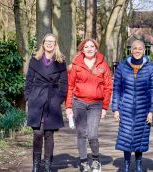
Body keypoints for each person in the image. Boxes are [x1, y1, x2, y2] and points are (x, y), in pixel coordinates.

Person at [65, 38, 113, 172]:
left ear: (96, 49)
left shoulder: (103, 65)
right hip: (79, 102)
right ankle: (84, 162)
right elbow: (70, 86)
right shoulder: (76, 64)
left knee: (92, 134)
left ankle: (96, 160)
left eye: (92, 46)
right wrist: (68, 106)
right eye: (86, 47)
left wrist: (105, 107)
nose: (89, 49)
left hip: (96, 104)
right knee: (81, 134)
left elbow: (108, 87)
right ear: (82, 49)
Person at [112, 40, 153, 172]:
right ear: (130, 50)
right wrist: (115, 109)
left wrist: (151, 111)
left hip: (143, 110)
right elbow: (116, 89)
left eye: (140, 49)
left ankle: (139, 165)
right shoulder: (122, 67)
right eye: (135, 49)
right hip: (125, 109)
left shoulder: (151, 67)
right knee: (126, 138)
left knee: (140, 138)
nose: (137, 51)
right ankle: (126, 166)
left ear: (144, 51)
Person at [25, 33, 68, 172]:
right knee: (37, 133)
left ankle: (48, 166)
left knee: (49, 134)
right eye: (47, 41)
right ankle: (36, 165)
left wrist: (58, 99)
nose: (49, 44)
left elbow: (64, 84)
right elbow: (28, 81)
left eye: (52, 42)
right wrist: (29, 97)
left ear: (55, 45)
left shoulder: (60, 61)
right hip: (36, 100)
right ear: (43, 43)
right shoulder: (35, 60)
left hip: (52, 100)